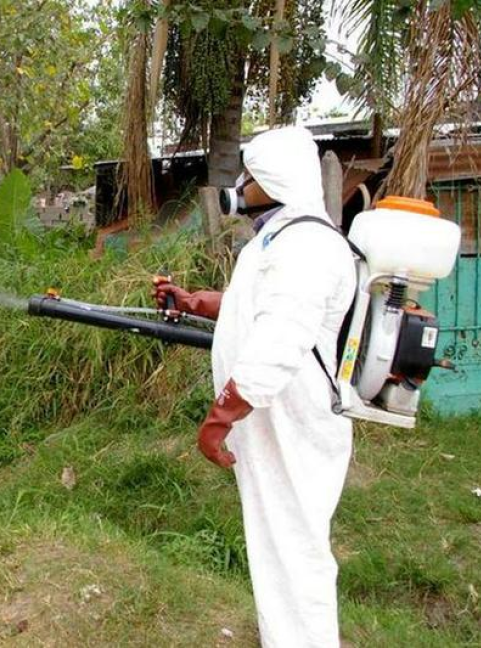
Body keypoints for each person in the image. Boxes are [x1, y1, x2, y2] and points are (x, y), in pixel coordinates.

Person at [155, 126, 357, 647]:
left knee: (294, 548)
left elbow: (278, 343)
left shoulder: (309, 246)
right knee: (275, 543)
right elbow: (253, 302)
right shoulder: (280, 236)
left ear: (276, 181)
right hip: (268, 419)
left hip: (292, 422)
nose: (242, 184)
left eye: (253, 176)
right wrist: (193, 301)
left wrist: (216, 421)